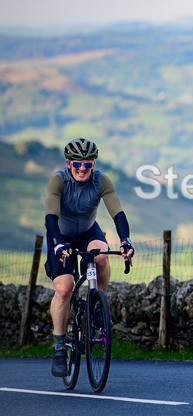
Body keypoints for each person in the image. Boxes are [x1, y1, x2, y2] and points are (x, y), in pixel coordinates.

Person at [45, 138, 135, 377]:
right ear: (68, 163)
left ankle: (97, 302)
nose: (83, 169)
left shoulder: (101, 180)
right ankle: (59, 346)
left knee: (102, 256)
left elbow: (118, 213)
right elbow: (51, 217)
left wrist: (126, 240)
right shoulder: (59, 180)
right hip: (60, 235)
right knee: (64, 288)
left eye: (88, 164)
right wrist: (57, 245)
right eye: (77, 164)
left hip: (87, 232)